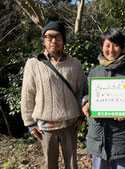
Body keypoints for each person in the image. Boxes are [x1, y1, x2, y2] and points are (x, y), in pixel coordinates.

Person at [21, 21, 85, 169]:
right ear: (44, 40)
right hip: (45, 127)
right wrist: (30, 123)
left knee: (72, 165)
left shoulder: (75, 64)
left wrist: (81, 117)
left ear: (64, 41)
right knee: (50, 165)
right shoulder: (33, 63)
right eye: (49, 37)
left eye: (58, 37)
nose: (53, 41)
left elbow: (81, 91)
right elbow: (27, 94)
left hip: (70, 124)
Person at [82, 29, 125, 169]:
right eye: (107, 45)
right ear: (102, 46)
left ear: (122, 47)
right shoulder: (95, 72)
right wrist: (86, 102)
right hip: (98, 136)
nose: (111, 50)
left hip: (122, 138)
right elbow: (85, 94)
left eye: (116, 45)